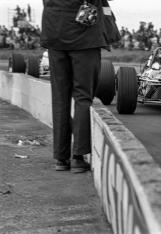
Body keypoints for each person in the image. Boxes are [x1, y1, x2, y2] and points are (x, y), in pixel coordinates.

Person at [41, 0, 108, 173]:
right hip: (84, 36)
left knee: (60, 97)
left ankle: (61, 158)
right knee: (83, 96)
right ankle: (79, 157)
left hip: (54, 32)